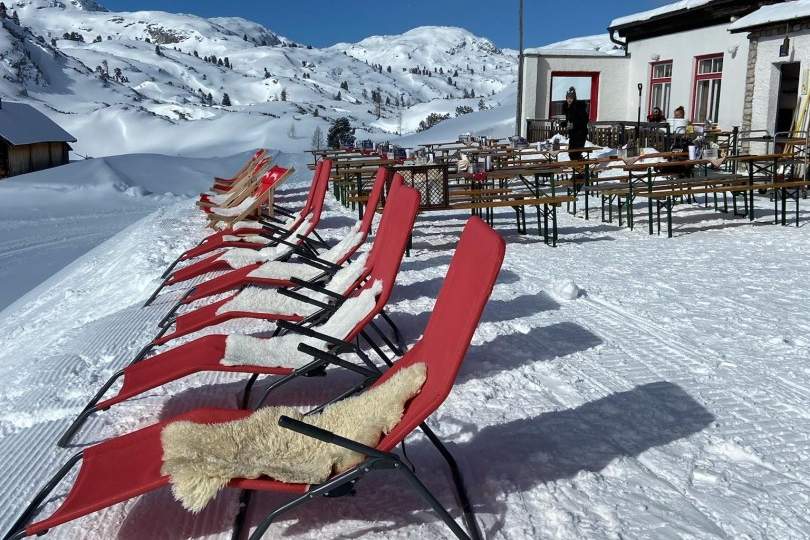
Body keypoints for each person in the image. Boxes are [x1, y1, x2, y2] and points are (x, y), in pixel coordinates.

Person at [561, 87, 589, 161]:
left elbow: (585, 120)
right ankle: (579, 169)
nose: (569, 99)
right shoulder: (568, 108)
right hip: (573, 134)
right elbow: (570, 121)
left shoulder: (579, 107)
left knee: (575, 153)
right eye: (568, 98)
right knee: (571, 153)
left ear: (574, 98)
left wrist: (574, 124)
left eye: (571, 98)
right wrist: (564, 123)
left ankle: (581, 169)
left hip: (580, 134)